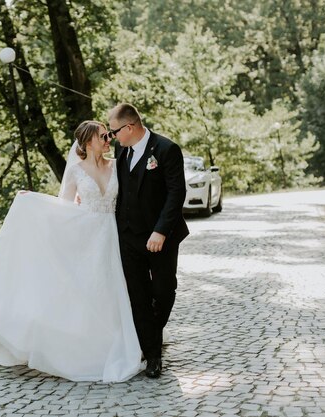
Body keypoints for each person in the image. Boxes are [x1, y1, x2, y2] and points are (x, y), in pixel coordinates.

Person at [0, 121, 144, 382]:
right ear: (87, 142)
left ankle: (116, 343)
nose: (108, 139)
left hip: (112, 234)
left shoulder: (118, 166)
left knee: (112, 289)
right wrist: (32, 200)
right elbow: (63, 208)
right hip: (86, 236)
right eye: (103, 136)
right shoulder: (75, 171)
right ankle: (87, 349)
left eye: (108, 135)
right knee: (89, 291)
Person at [108, 103, 189, 378]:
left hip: (160, 238)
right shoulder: (121, 151)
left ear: (129, 128)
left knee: (164, 292)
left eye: (115, 131)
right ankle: (153, 355)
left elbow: (176, 193)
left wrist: (161, 231)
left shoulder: (166, 150)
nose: (112, 137)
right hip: (128, 237)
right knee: (138, 297)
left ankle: (150, 336)